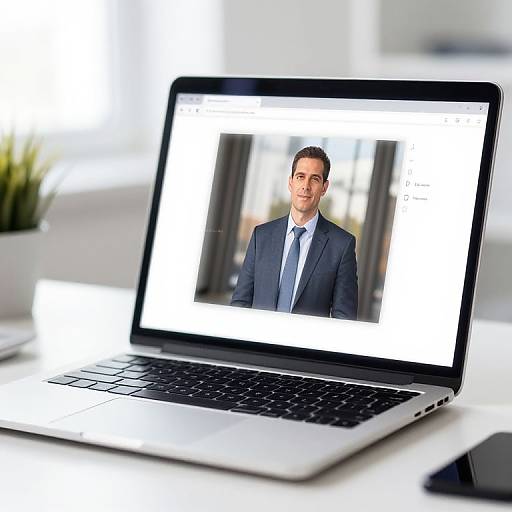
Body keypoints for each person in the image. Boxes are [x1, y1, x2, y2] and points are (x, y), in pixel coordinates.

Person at [231, 146, 358, 320]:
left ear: (324, 187)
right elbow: (240, 303)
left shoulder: (342, 245)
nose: (306, 186)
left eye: (314, 179)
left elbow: (344, 319)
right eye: (300, 177)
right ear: (291, 182)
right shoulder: (261, 237)